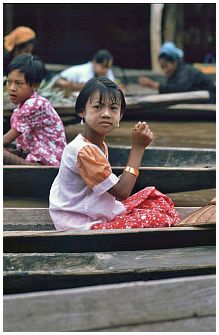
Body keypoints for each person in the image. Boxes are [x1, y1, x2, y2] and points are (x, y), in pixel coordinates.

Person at [49, 77, 180, 231]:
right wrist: (138, 147)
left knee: (156, 198)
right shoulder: (84, 150)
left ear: (120, 115)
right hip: (79, 223)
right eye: (97, 107)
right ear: (81, 111)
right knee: (160, 219)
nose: (106, 114)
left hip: (90, 211)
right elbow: (122, 192)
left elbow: (113, 190)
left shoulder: (97, 145)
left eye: (113, 108)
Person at [3, 54, 67, 166]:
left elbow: (6, 140)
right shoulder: (23, 105)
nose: (12, 88)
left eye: (18, 83)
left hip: (48, 163)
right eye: (9, 82)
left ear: (35, 85)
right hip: (33, 156)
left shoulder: (34, 105)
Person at [139, 42, 216, 103]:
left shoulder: (186, 71)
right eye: (162, 67)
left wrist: (154, 85)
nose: (164, 70)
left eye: (166, 66)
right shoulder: (173, 75)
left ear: (174, 63)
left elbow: (180, 90)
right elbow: (168, 90)